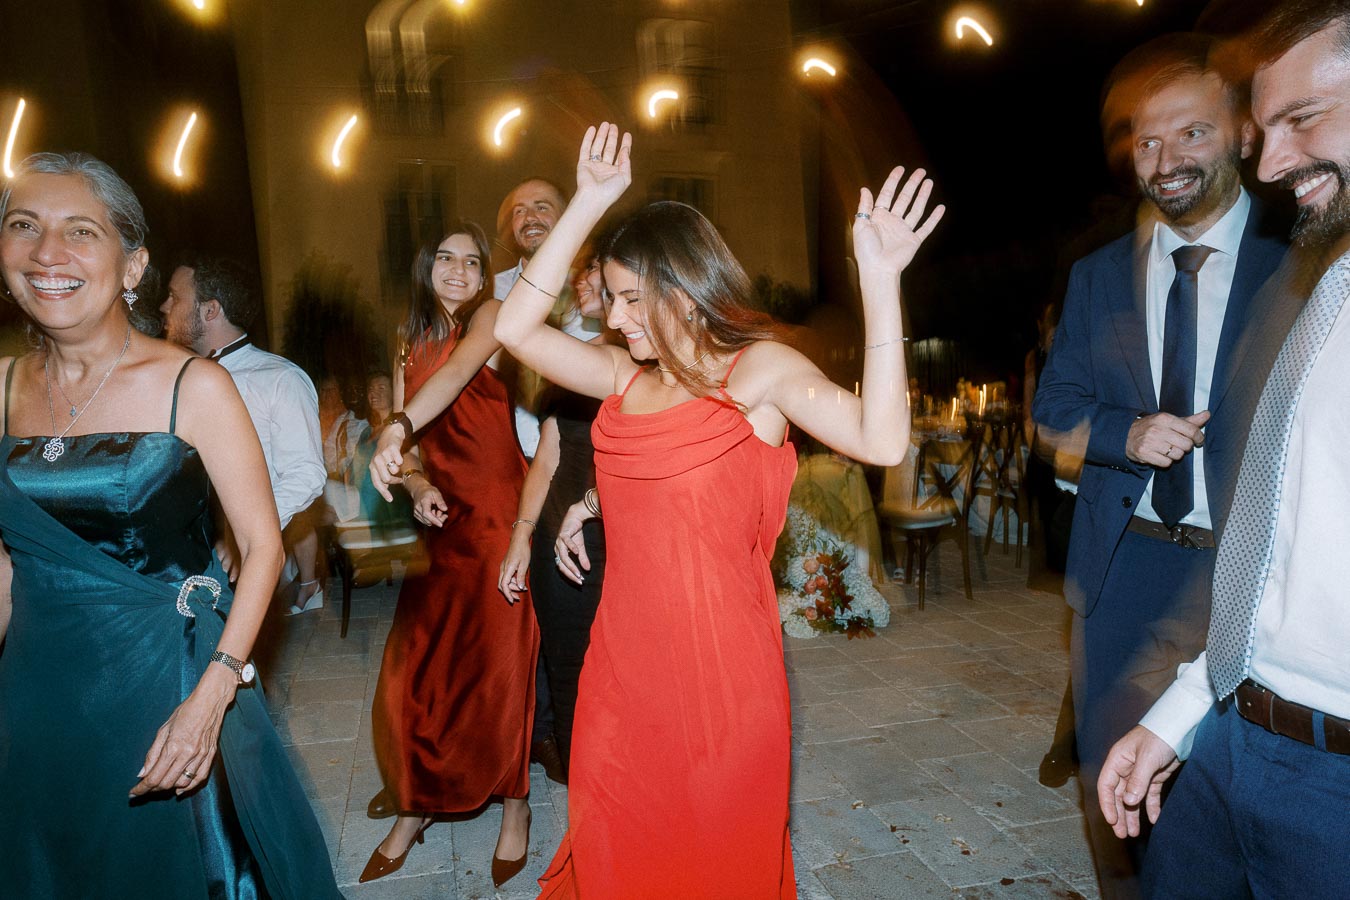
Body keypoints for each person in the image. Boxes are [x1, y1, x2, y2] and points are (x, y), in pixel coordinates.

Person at [371, 122, 942, 897]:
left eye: (632, 298)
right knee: (615, 841)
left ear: (684, 286)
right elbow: (512, 326)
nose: (614, 318)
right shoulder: (623, 379)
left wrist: (879, 282)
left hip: (720, 678)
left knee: (712, 859)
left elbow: (880, 439)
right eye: (608, 297)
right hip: (620, 666)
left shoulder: (760, 372)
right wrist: (592, 199)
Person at [0, 152, 340, 898]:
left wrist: (212, 696)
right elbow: (7, 560)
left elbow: (260, 547)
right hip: (37, 687)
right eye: (23, 226)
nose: (46, 252)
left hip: (169, 678)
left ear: (131, 266)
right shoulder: (1, 387)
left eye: (79, 231)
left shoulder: (197, 384)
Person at [1098, 4, 1350, 896]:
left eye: (1303, 120)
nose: (1272, 164)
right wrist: (1181, 711)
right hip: (1229, 739)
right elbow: (1284, 539)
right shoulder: (1335, 293)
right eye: (1265, 129)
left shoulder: (1292, 275)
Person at [1031, 33, 1292, 896]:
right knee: (1119, 800)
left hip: (1251, 575)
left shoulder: (1306, 267)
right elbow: (1053, 411)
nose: (1166, 158)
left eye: (1193, 133)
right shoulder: (1098, 276)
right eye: (1147, 140)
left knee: (1240, 798)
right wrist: (1126, 432)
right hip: (1126, 575)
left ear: (1244, 135)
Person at [361, 222, 537, 889]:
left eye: (472, 260)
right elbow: (408, 451)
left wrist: (397, 426)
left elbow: (459, 376)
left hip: (497, 515)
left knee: (502, 668)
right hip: (443, 522)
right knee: (415, 670)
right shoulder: (405, 337)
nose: (459, 270)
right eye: (445, 258)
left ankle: (515, 806)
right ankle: (417, 803)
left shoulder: (492, 315)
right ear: (423, 265)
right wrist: (415, 481)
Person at [495, 177, 597, 779]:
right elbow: (550, 452)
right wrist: (522, 530)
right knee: (554, 641)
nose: (529, 216)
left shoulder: (625, 350)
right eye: (519, 207)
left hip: (609, 517)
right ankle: (548, 739)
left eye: (545, 207)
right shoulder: (505, 301)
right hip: (543, 492)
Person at [160, 257, 327, 615]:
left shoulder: (279, 379)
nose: (164, 306)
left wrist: (248, 534)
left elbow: (306, 474)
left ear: (210, 310)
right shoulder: (174, 380)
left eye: (175, 297)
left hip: (232, 562)